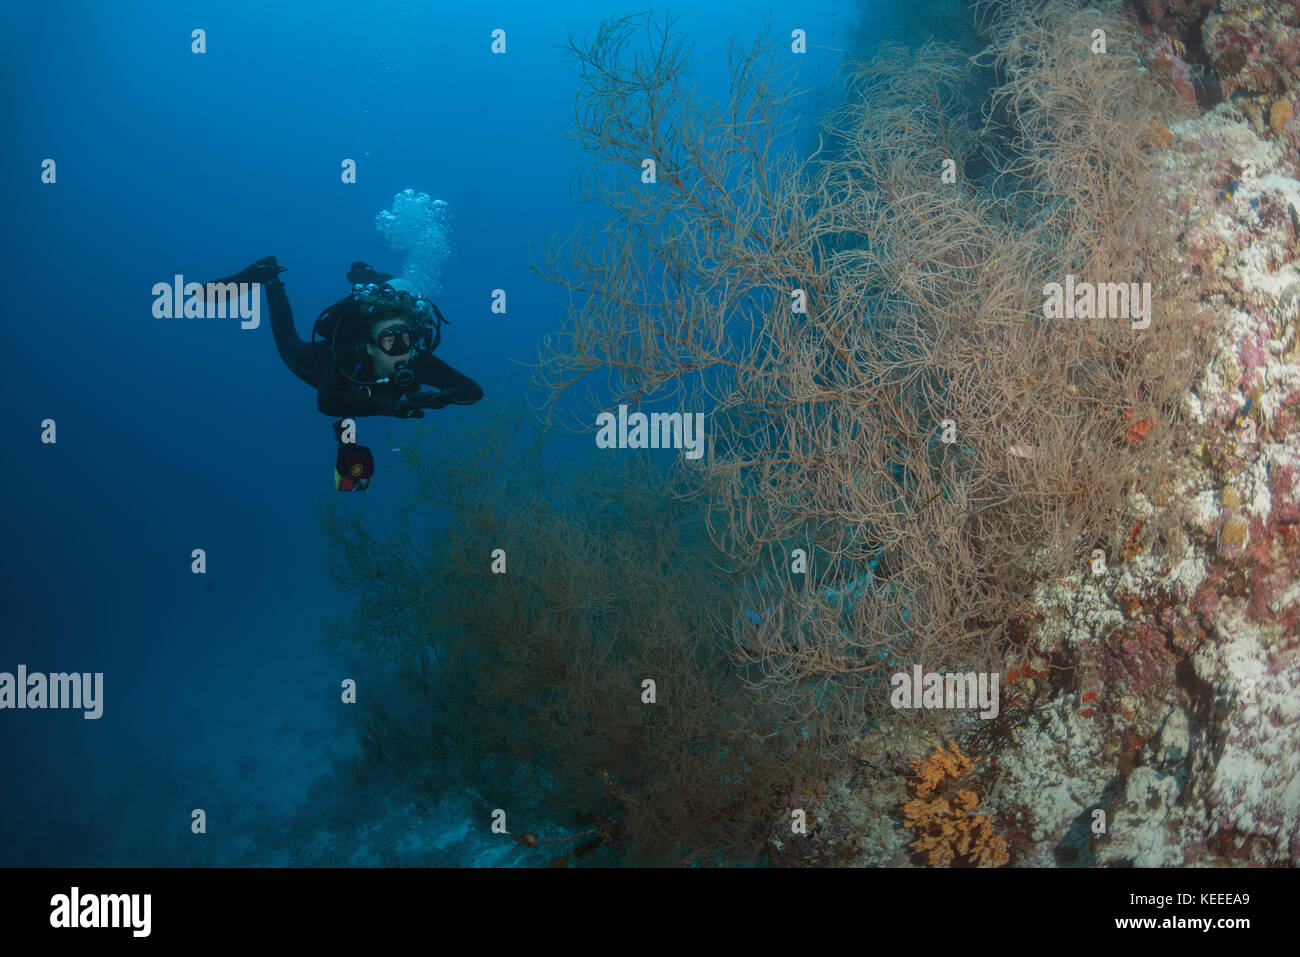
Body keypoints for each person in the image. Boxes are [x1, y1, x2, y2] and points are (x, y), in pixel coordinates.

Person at [209, 256, 484, 419]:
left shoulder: (416, 359)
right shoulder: (351, 357)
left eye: (407, 338)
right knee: (287, 344)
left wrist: (443, 397)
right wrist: (388, 407)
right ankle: (268, 277)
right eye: (389, 341)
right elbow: (327, 402)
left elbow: (472, 390)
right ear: (369, 347)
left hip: (377, 393)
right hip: (324, 365)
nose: (402, 349)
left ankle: (367, 278)